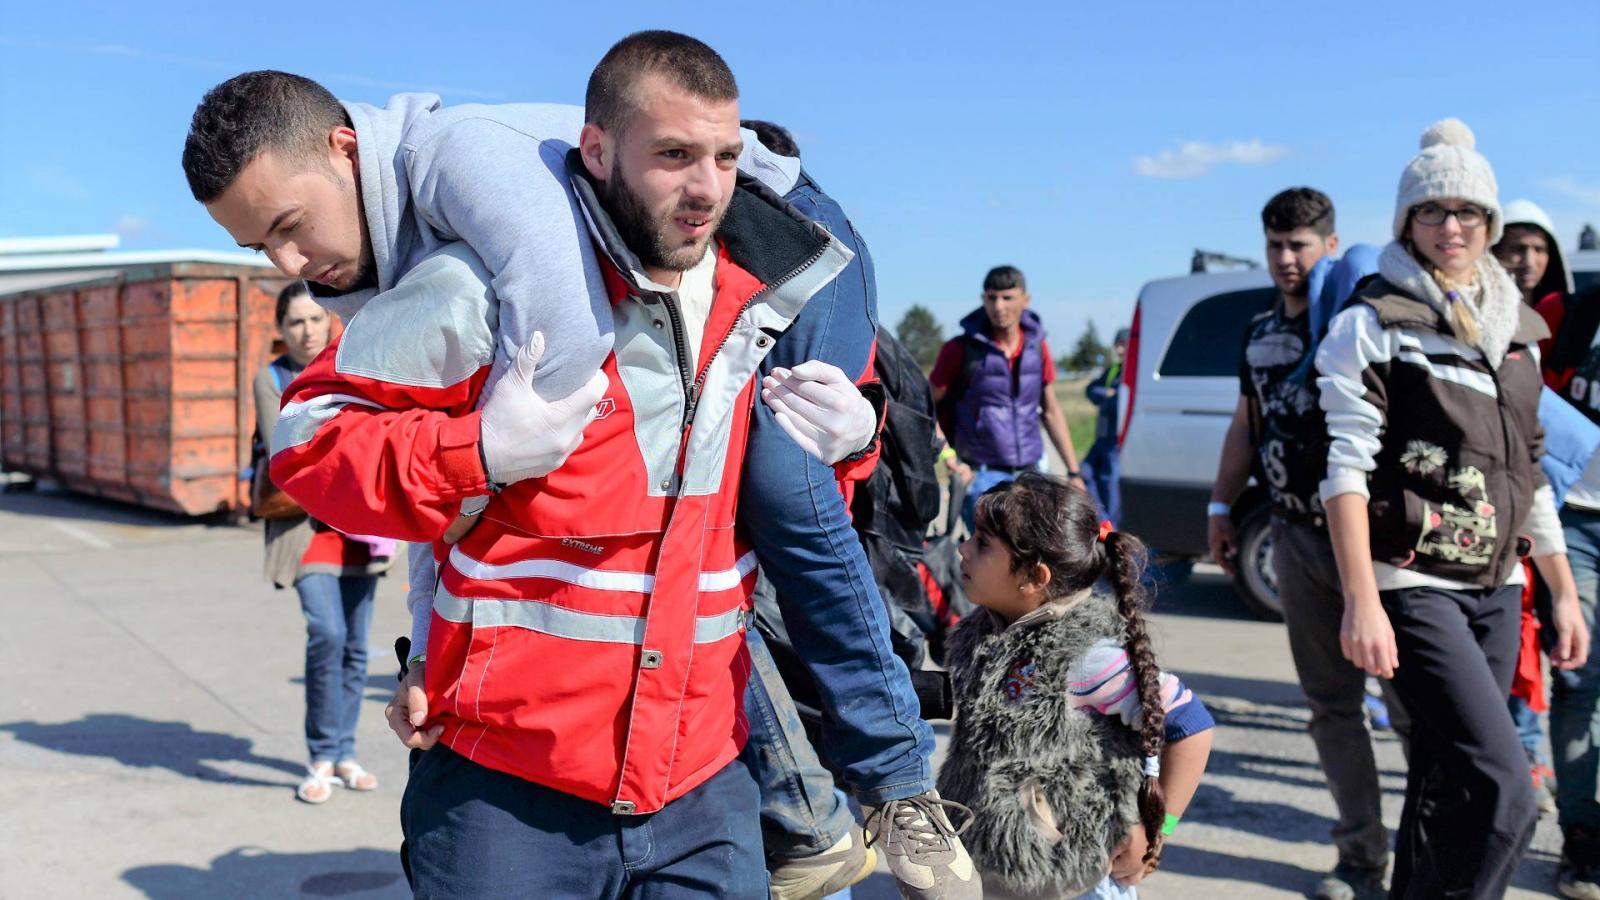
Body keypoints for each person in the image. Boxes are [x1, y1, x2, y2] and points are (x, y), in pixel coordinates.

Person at [197, 32, 976, 898]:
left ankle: (896, 780)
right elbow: (370, 452)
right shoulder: (448, 273)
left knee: (786, 487)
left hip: (803, 237)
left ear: (346, 148)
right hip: (521, 784)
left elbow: (569, 360)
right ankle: (810, 819)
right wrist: (465, 509)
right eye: (259, 249)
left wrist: (856, 439)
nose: (289, 267)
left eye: (290, 227)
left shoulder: (465, 162)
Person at [1315, 119, 1590, 898]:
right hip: (1410, 581)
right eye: (1433, 211)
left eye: (1468, 212)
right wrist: (1361, 601)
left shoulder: (1519, 336)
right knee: (1504, 786)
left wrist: (1562, 591)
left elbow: (1527, 472)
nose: (1452, 227)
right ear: (1407, 222)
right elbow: (1345, 470)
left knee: (1442, 777)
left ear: (1490, 225)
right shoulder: (1371, 324)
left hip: (1498, 586)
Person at [1207, 187, 1406, 900]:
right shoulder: (1259, 330)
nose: (1286, 259)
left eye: (1299, 245)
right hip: (1292, 535)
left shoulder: (1363, 324)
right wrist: (1221, 503)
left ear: (1331, 244)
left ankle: (1429, 851)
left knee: (1412, 709)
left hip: (1374, 548)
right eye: (1275, 245)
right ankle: (1361, 856)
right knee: (1331, 707)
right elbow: (1246, 424)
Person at [935, 473, 1213, 899]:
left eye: (983, 543)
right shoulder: (991, 630)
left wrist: (1158, 830)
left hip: (1071, 879)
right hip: (1001, 868)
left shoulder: (1086, 658)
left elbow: (1191, 724)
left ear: (1034, 577)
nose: (963, 548)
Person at [251, 282, 396, 804]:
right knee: (327, 635)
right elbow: (289, 452)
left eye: (315, 319)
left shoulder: (354, 364)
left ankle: (345, 753)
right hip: (305, 528)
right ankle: (319, 755)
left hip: (361, 530)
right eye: (295, 322)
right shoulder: (271, 379)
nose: (307, 330)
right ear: (280, 329)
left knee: (356, 648)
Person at [1513, 201, 1600, 898]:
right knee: (1578, 681)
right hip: (1578, 517)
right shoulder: (1574, 313)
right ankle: (1584, 844)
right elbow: (1531, 405)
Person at [1494, 199, 1574, 821]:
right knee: (1518, 630)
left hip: (1552, 500)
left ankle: (1526, 752)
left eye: (1538, 250)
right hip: (1500, 506)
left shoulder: (1563, 319)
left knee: (1547, 633)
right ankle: (1519, 754)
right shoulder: (1486, 320)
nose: (1527, 261)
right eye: (1515, 247)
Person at [931, 266, 1083, 528]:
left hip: (1031, 475)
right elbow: (925, 407)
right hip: (981, 476)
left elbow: (1050, 411)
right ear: (983, 300)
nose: (999, 306)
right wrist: (949, 458)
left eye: (1007, 298)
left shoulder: (1037, 348)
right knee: (992, 564)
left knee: (1030, 560)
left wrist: (1073, 471)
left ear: (1026, 299)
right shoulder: (960, 349)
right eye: (992, 298)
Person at [1082, 329, 1128, 525]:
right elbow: (1090, 390)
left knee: (1110, 485)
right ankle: (1103, 521)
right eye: (1117, 344)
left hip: (1115, 441)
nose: (1118, 349)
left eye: (1122, 344)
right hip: (1101, 439)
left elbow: (1120, 402)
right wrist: (1106, 394)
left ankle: (1113, 531)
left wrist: (1110, 397)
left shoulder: (1132, 371)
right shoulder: (1114, 370)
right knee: (1084, 472)